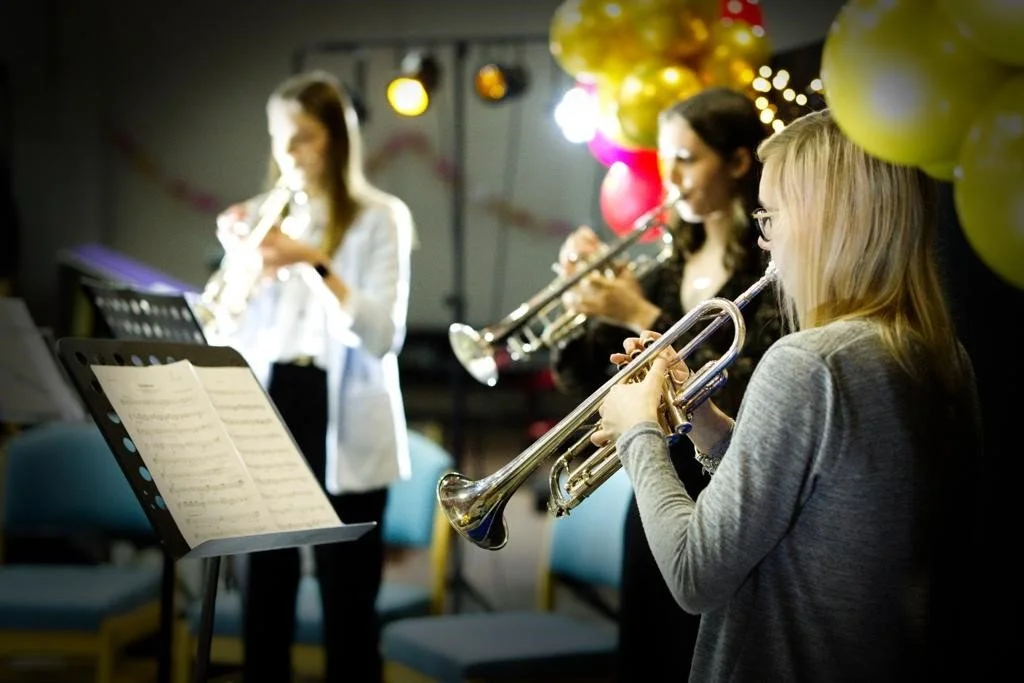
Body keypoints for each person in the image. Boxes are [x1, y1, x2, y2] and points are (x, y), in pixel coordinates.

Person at [593, 108, 982, 682]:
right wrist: (707, 425)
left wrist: (638, 434)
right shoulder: (943, 354)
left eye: (771, 215)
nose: (763, 237)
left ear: (828, 221)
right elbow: (816, 505)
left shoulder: (809, 362)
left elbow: (693, 575)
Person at [549, 87, 781, 679]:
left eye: (687, 158)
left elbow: (752, 385)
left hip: (724, 490)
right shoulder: (667, 264)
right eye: (664, 159)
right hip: (653, 487)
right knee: (644, 651)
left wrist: (641, 315)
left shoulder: (769, 270)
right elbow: (580, 377)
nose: (671, 178)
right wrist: (586, 302)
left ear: (737, 162)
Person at [211, 70, 415, 683]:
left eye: (302, 137)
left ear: (335, 138)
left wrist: (314, 264)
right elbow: (221, 329)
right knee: (264, 593)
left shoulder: (381, 217)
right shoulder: (264, 219)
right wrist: (243, 269)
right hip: (271, 400)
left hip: (340, 409)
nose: (288, 153)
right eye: (280, 138)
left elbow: (381, 336)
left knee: (346, 596)